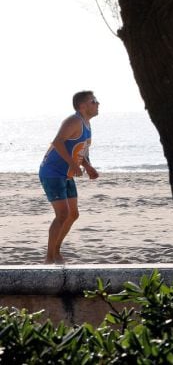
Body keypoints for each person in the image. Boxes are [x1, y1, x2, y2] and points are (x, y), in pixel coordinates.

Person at [39, 91, 100, 264]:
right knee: (62, 214)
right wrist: (74, 165)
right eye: (93, 101)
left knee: (73, 214)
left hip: (66, 174)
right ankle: (49, 258)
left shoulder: (86, 124)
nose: (98, 104)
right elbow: (57, 141)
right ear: (82, 106)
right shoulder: (73, 121)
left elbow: (81, 150)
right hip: (52, 172)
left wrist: (87, 166)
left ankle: (56, 252)